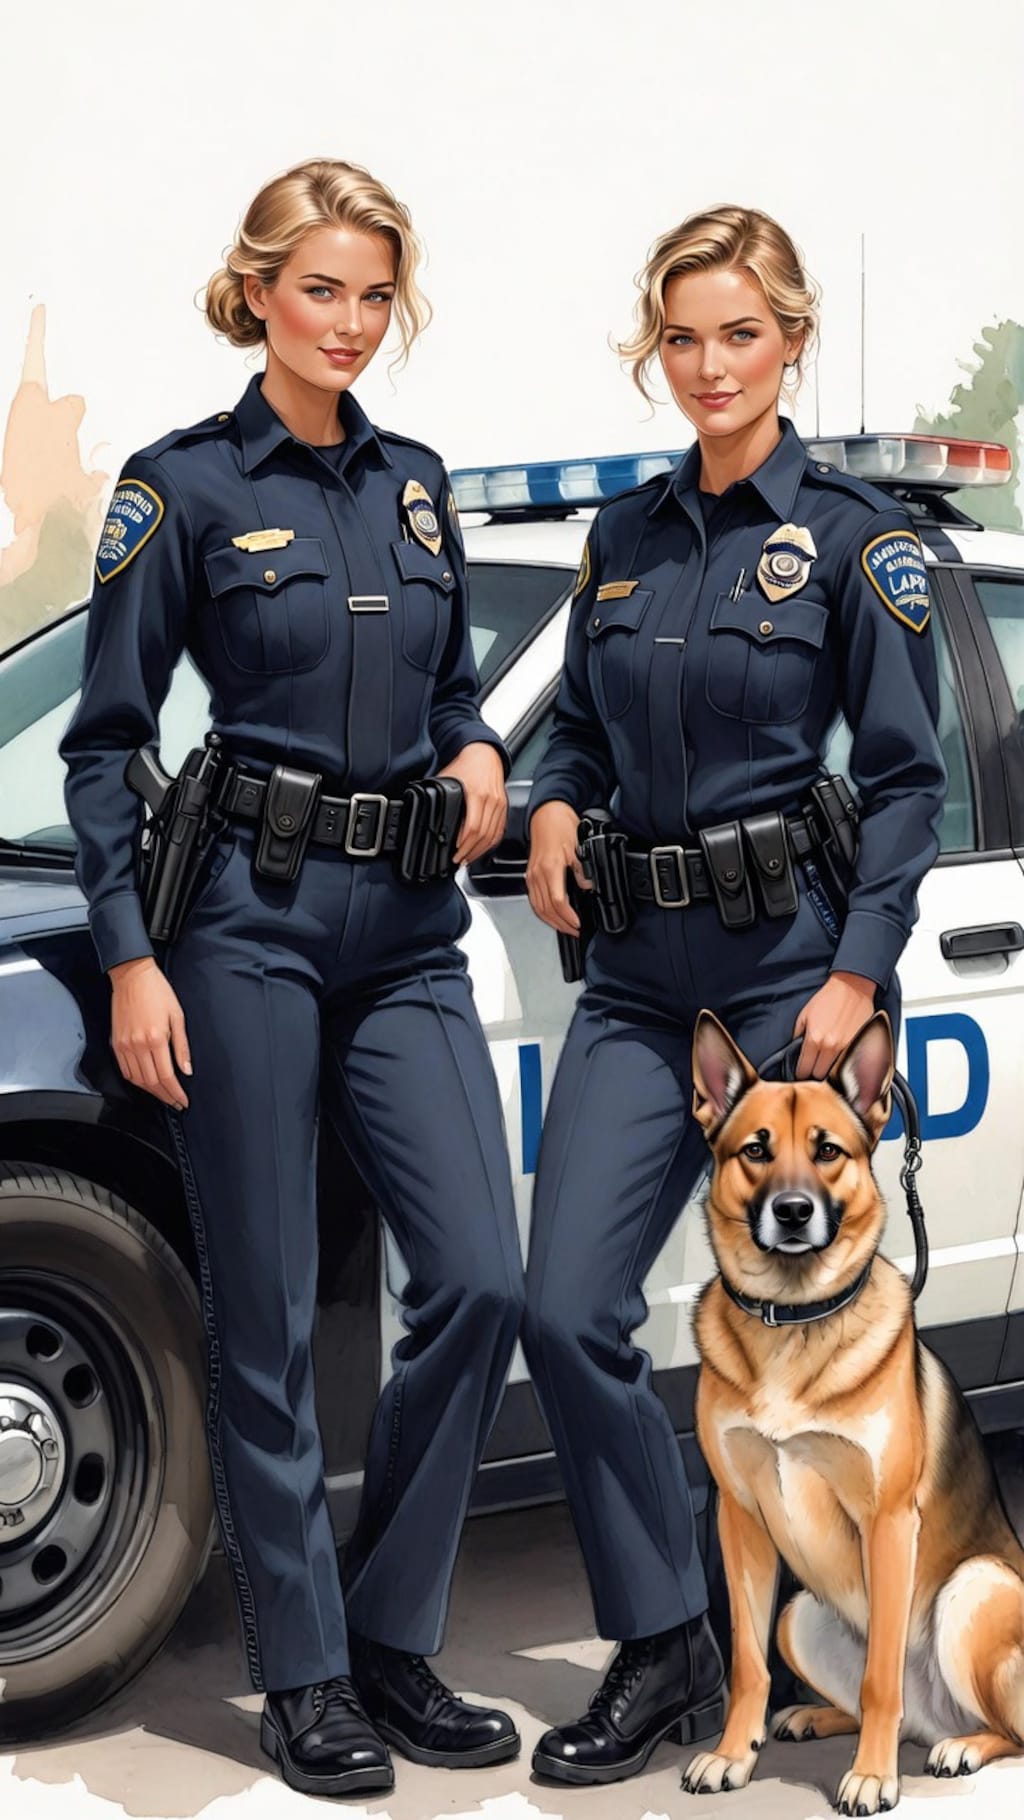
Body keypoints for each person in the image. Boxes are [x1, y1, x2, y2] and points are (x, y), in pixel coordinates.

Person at [59, 158, 525, 1801]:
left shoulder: (415, 482)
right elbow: (105, 749)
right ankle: (310, 1679)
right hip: (242, 929)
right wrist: (131, 957)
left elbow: (460, 685)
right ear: (258, 290)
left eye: (376, 295)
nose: (350, 322)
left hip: (403, 931)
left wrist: (473, 753)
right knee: (258, 1315)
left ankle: (396, 1639)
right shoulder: (178, 488)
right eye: (321, 288)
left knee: (480, 1278)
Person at [521, 204, 947, 1787]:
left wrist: (855, 975)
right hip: (641, 987)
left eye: (739, 335)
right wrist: (559, 805)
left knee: (798, 1338)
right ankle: (672, 1639)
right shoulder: (622, 541)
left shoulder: (851, 543)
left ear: (791, 340)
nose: (709, 365)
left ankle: (770, 1663)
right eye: (683, 338)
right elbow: (575, 733)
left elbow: (903, 781)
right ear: (660, 350)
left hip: (787, 983)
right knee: (559, 1307)